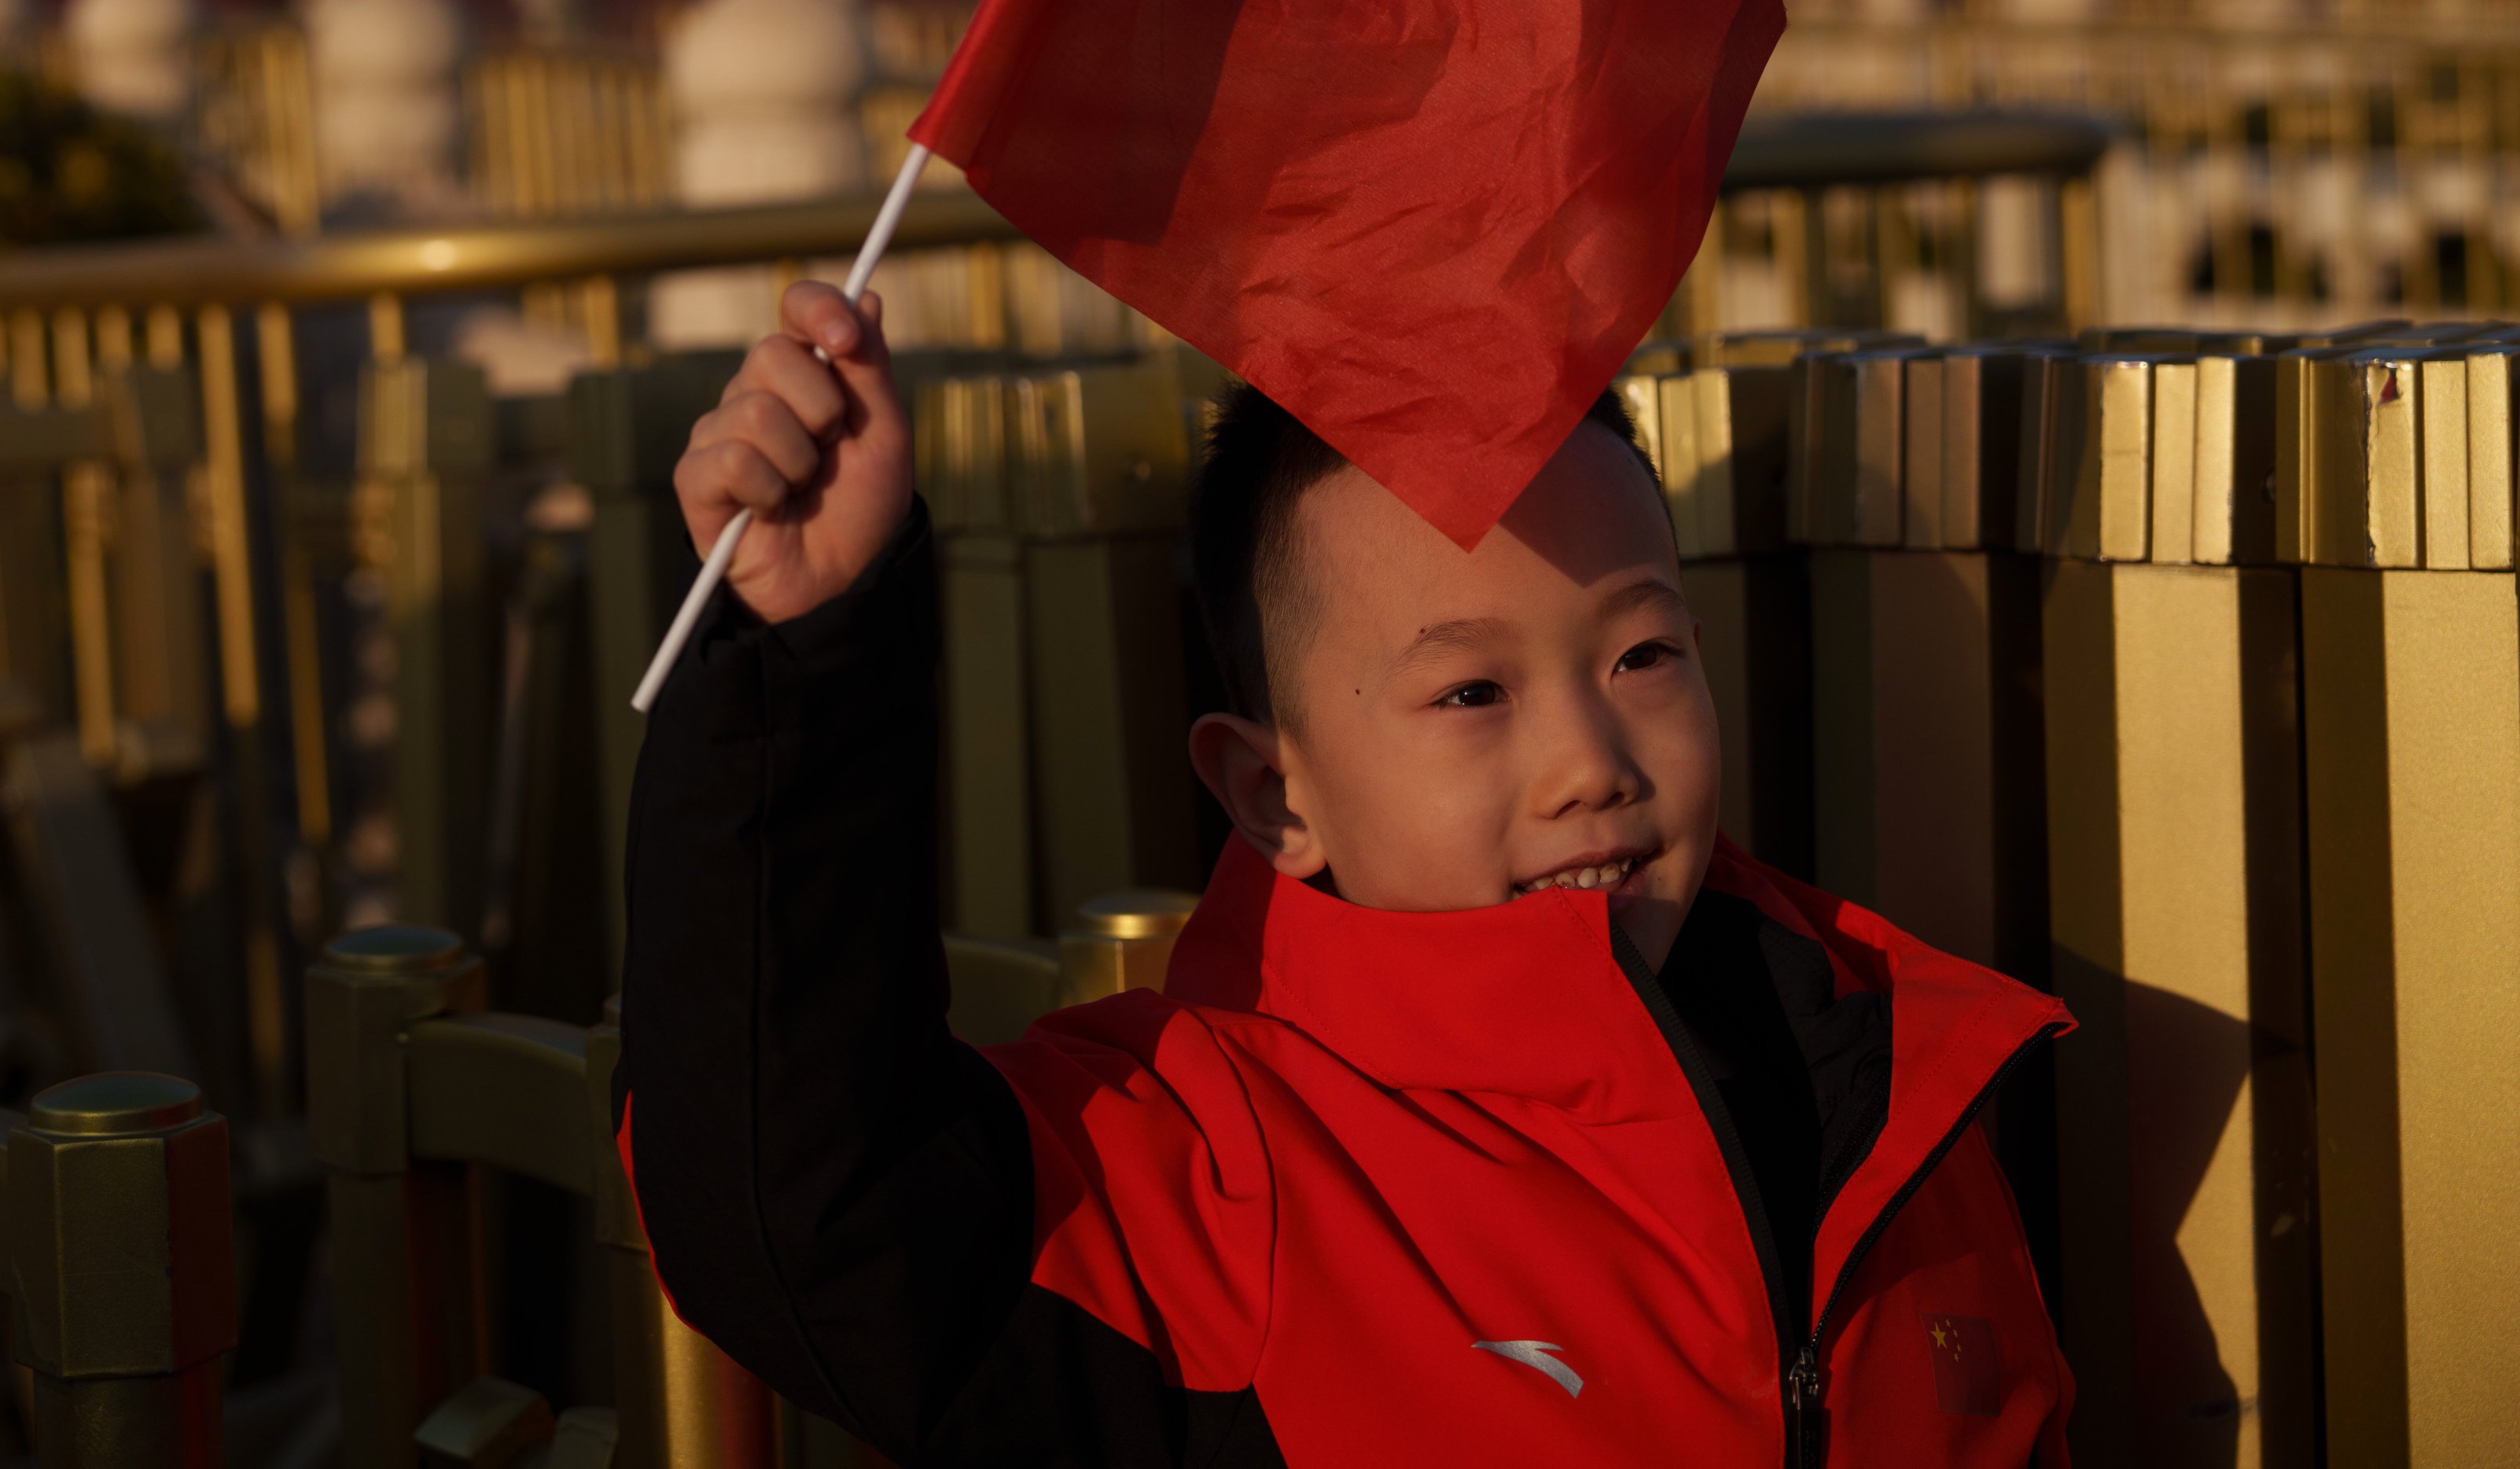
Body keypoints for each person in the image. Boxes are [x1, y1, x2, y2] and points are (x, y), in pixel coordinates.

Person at [620, 281, 2072, 1465]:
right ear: (1273, 792)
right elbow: (806, 1211)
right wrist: (805, 656)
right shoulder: (1208, 1182)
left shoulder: (1892, 1092)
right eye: (1471, 696)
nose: (1592, 763)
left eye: (1643, 656)